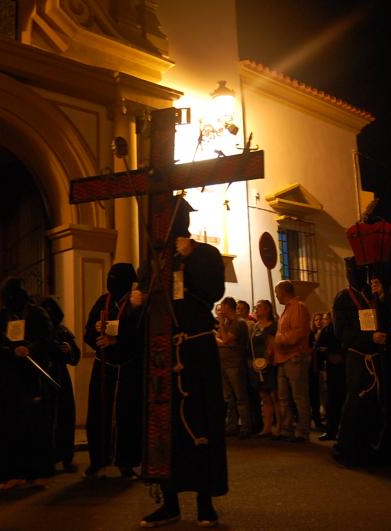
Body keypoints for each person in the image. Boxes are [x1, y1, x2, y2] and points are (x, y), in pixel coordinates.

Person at [135, 197, 226, 528]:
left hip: (197, 349)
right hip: (161, 351)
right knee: (164, 426)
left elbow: (213, 292)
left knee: (201, 421)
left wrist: (191, 262)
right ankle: (169, 502)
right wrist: (137, 300)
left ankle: (205, 502)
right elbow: (144, 303)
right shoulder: (155, 259)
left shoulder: (207, 254)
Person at [0, 278, 57, 489]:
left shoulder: (37, 314)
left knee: (34, 426)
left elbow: (48, 341)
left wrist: (30, 348)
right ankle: (10, 472)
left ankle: (38, 471)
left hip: (31, 379)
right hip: (7, 380)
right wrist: (10, 351)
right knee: (8, 427)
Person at [332, 258, 391, 466]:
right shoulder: (343, 298)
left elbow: (387, 319)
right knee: (356, 402)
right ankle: (348, 450)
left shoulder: (371, 295)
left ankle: (371, 447)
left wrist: (383, 296)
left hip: (377, 358)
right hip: (358, 358)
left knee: (375, 403)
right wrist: (369, 338)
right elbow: (342, 333)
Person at [83, 263, 142, 479]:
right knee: (99, 414)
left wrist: (117, 340)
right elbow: (88, 331)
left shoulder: (136, 303)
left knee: (127, 417)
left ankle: (126, 462)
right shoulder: (103, 300)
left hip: (127, 369)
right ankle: (97, 461)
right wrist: (97, 336)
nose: (112, 280)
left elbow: (140, 333)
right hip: (103, 368)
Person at [40, 296, 82, 472]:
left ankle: (65, 456)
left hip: (60, 377)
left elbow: (75, 357)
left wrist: (68, 350)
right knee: (45, 420)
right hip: (43, 377)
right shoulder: (39, 331)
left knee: (65, 418)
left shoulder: (62, 331)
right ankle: (46, 459)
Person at [273, 280, 312, 442]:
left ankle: (302, 431)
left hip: (295, 356)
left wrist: (279, 340)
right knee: (283, 397)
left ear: (283, 292)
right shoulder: (287, 310)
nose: (276, 295)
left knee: (299, 396)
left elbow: (298, 333)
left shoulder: (298, 307)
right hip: (283, 357)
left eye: (277, 292)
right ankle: (287, 429)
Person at [216, 296, 252, 437]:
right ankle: (232, 426)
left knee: (240, 397)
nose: (220, 311)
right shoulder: (228, 323)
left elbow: (224, 339)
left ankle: (246, 427)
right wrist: (222, 339)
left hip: (235, 365)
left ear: (227, 307)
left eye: (222, 307)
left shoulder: (239, 323)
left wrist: (220, 328)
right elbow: (222, 340)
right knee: (229, 398)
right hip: (225, 364)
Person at [249, 299, 279, 436]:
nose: (256, 308)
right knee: (264, 397)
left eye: (259, 307)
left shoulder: (273, 325)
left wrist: (269, 357)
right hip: (257, 365)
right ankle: (266, 427)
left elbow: (273, 344)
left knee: (274, 396)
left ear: (267, 309)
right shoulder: (254, 327)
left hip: (270, 364)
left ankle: (279, 426)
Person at [317, 312, 344, 442]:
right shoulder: (327, 330)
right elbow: (319, 347)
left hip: (345, 367)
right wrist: (328, 356)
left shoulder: (344, 328)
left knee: (343, 400)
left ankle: (342, 430)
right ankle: (331, 430)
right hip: (332, 369)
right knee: (333, 400)